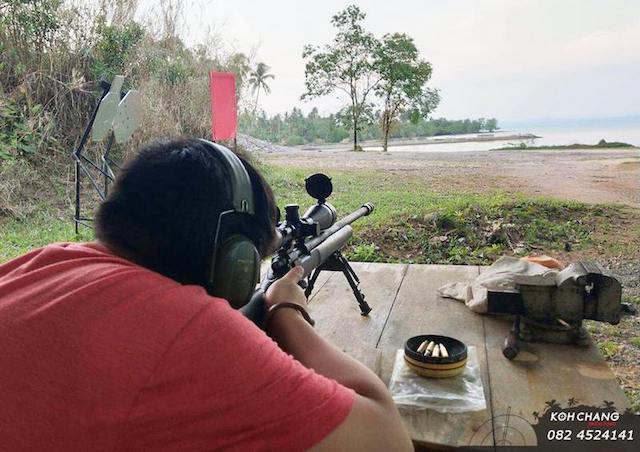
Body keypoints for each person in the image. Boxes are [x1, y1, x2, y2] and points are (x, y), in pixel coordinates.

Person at [0, 138, 412, 451]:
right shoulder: (187, 331)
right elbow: (386, 438)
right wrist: (286, 307)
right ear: (236, 260)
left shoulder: (42, 262)